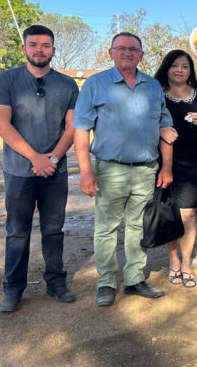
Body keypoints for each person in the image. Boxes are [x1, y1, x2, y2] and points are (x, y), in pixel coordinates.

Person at [73, 32, 176, 306]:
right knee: (106, 228)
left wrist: (166, 167)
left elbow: (166, 128)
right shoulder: (95, 85)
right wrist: (85, 171)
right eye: (121, 48)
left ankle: (134, 279)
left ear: (141, 55)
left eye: (134, 49)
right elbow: (81, 129)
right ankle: (106, 282)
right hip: (110, 170)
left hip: (145, 169)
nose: (127, 53)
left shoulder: (153, 87)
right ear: (110, 53)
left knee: (137, 227)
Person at [0, 24, 79, 313]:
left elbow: (72, 126)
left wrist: (52, 158)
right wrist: (35, 158)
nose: (39, 50)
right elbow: (2, 124)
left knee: (54, 229)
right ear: (24, 48)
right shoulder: (7, 79)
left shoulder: (67, 84)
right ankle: (13, 289)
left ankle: (56, 282)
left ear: (53, 49)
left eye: (45, 45)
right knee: (18, 232)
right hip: (18, 171)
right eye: (33, 45)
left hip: (55, 171)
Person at [153, 49, 197, 289]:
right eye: (174, 65)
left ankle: (186, 263)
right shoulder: (155, 93)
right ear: (166, 68)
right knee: (170, 213)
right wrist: (159, 130)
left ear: (190, 71)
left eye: (184, 66)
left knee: (188, 214)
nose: (179, 70)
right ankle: (173, 260)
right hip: (163, 162)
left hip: (191, 162)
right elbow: (145, 123)